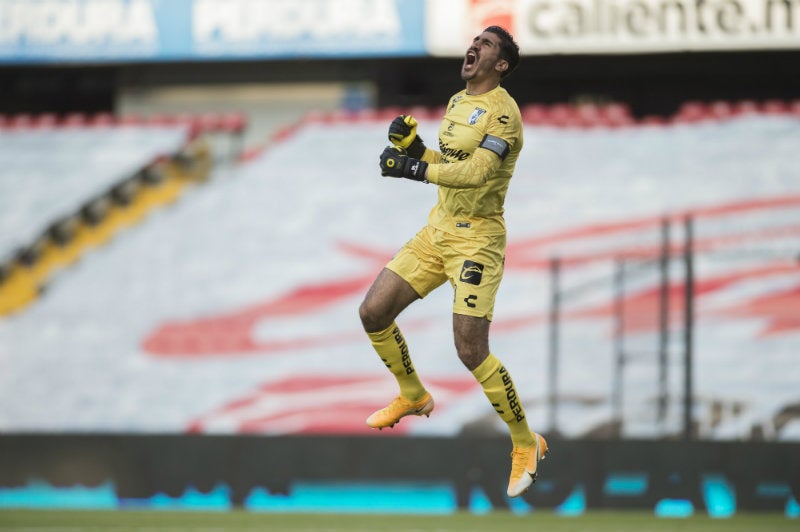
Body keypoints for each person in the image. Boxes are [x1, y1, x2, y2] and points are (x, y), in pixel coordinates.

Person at [358, 26, 548, 498]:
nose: (475, 47)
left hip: (477, 240)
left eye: (486, 45)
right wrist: (413, 149)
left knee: (470, 350)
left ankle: (526, 442)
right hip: (438, 229)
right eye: (476, 41)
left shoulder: (505, 115)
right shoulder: (457, 101)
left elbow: (478, 171)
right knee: (373, 311)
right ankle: (413, 395)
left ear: (500, 65)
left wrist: (414, 169)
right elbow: (450, 161)